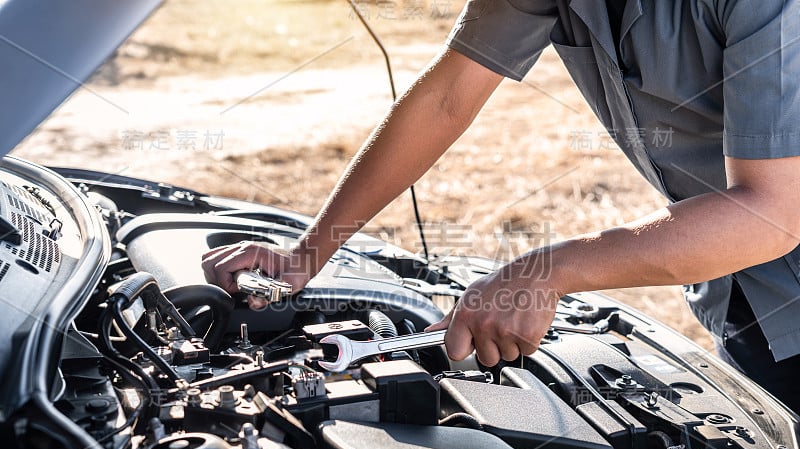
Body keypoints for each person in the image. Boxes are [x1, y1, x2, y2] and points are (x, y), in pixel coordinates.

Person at [203, 1, 800, 411]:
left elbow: (768, 214)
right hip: (748, 298)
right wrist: (307, 256)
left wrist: (547, 272)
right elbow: (446, 99)